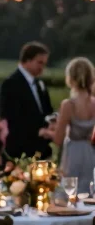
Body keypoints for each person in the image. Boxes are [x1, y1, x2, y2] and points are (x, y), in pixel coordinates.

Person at [43, 57, 95, 193]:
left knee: (69, 193)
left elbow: (58, 139)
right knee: (89, 193)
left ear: (70, 78)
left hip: (72, 155)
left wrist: (47, 132)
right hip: (90, 154)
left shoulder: (69, 104)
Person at [0, 42, 53, 160]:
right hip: (20, 151)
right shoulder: (11, 84)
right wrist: (37, 131)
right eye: (40, 62)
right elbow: (10, 118)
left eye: (44, 63)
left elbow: (47, 112)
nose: (42, 67)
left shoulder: (39, 84)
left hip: (40, 150)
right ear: (27, 60)